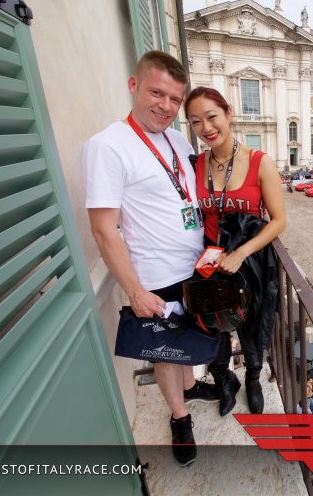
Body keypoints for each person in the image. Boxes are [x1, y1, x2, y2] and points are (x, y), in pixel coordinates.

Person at [81, 51, 217, 467]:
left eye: (175, 100)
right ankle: (180, 419)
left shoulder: (176, 139)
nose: (166, 106)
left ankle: (191, 386)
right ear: (133, 85)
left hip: (194, 269)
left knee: (191, 344)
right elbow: (104, 229)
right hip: (154, 276)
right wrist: (134, 290)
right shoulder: (106, 146)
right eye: (156, 93)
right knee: (165, 353)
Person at [185, 87, 286, 416]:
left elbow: (279, 221)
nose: (206, 128)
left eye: (211, 116)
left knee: (253, 327)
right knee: (211, 326)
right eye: (196, 122)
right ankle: (224, 380)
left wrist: (241, 253)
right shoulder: (195, 164)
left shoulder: (260, 162)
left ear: (228, 113)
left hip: (250, 263)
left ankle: (254, 380)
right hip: (209, 262)